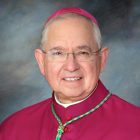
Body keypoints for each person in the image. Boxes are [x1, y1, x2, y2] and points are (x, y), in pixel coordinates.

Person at [0, 7, 140, 140]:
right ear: (41, 61)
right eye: (58, 53)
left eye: (83, 53)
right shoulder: (13, 128)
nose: (71, 66)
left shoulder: (135, 126)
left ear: (102, 59)